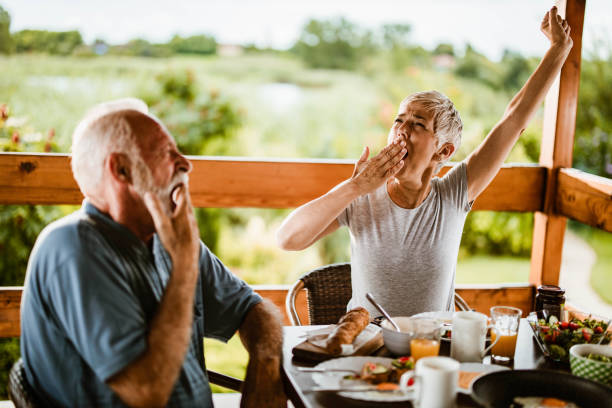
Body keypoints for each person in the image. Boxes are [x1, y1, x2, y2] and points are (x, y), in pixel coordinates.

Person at [277, 7, 573, 317]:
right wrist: (353, 187)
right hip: (367, 349)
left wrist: (557, 49)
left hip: (431, 352)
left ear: (443, 151)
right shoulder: (360, 193)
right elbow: (287, 239)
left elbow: (514, 121)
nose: (402, 130)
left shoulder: (454, 193)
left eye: (418, 124)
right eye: (398, 120)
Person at [20, 98, 287, 407]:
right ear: (121, 170)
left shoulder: (166, 239)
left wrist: (265, 366)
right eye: (165, 153)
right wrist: (184, 265)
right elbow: (146, 393)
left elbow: (255, 310)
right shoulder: (73, 247)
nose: (186, 163)